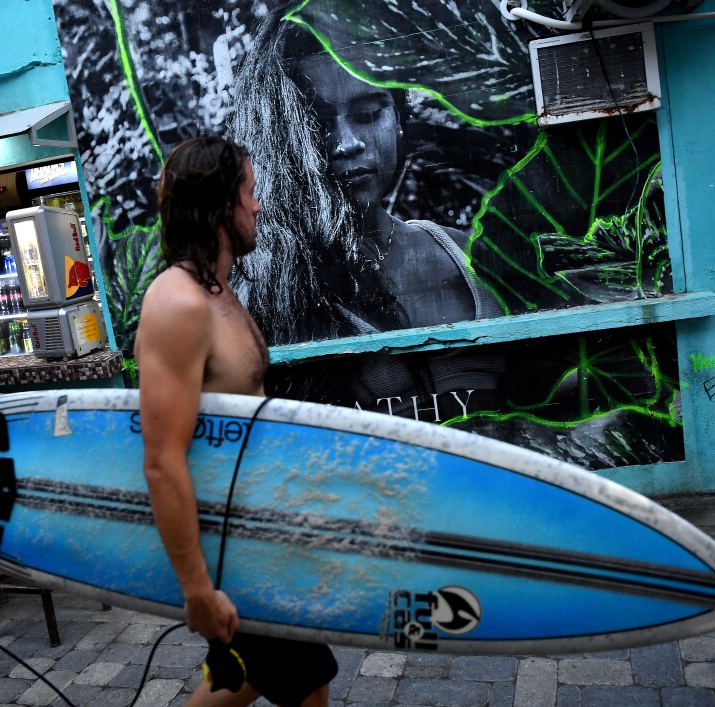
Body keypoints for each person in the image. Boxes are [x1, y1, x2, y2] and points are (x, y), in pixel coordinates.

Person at [135, 135, 337, 706]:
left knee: (266, 677)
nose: (259, 205)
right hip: (238, 552)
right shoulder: (180, 304)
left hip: (266, 539)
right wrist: (197, 590)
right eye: (249, 192)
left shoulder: (218, 290)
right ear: (223, 203)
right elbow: (161, 460)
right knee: (300, 681)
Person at [228, 9, 500, 347]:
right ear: (283, 139)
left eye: (368, 114)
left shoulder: (464, 257)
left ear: (399, 117)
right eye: (317, 125)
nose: (348, 143)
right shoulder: (268, 287)